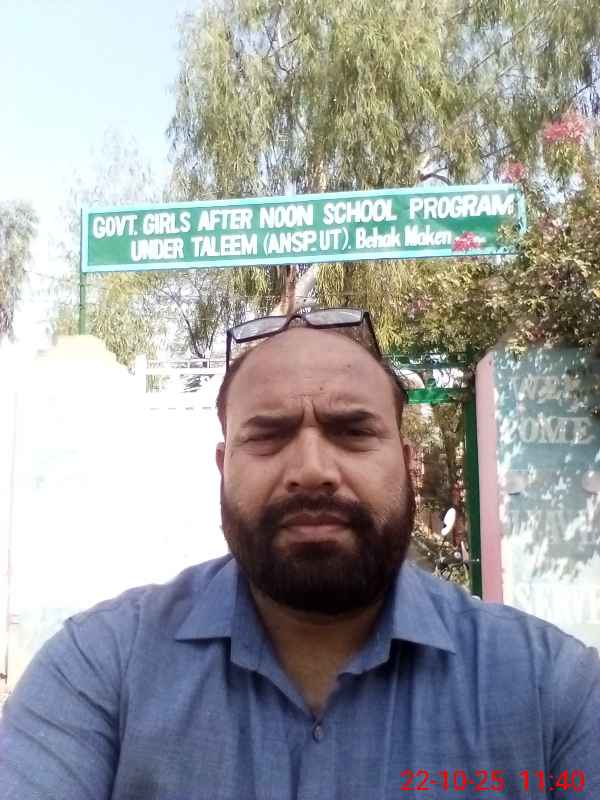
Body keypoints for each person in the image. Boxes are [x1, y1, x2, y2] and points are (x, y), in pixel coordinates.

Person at [1, 307, 599, 799]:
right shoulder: (102, 668)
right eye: (268, 435)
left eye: (352, 432)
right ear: (223, 467)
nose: (312, 470)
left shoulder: (552, 690)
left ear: (407, 463)